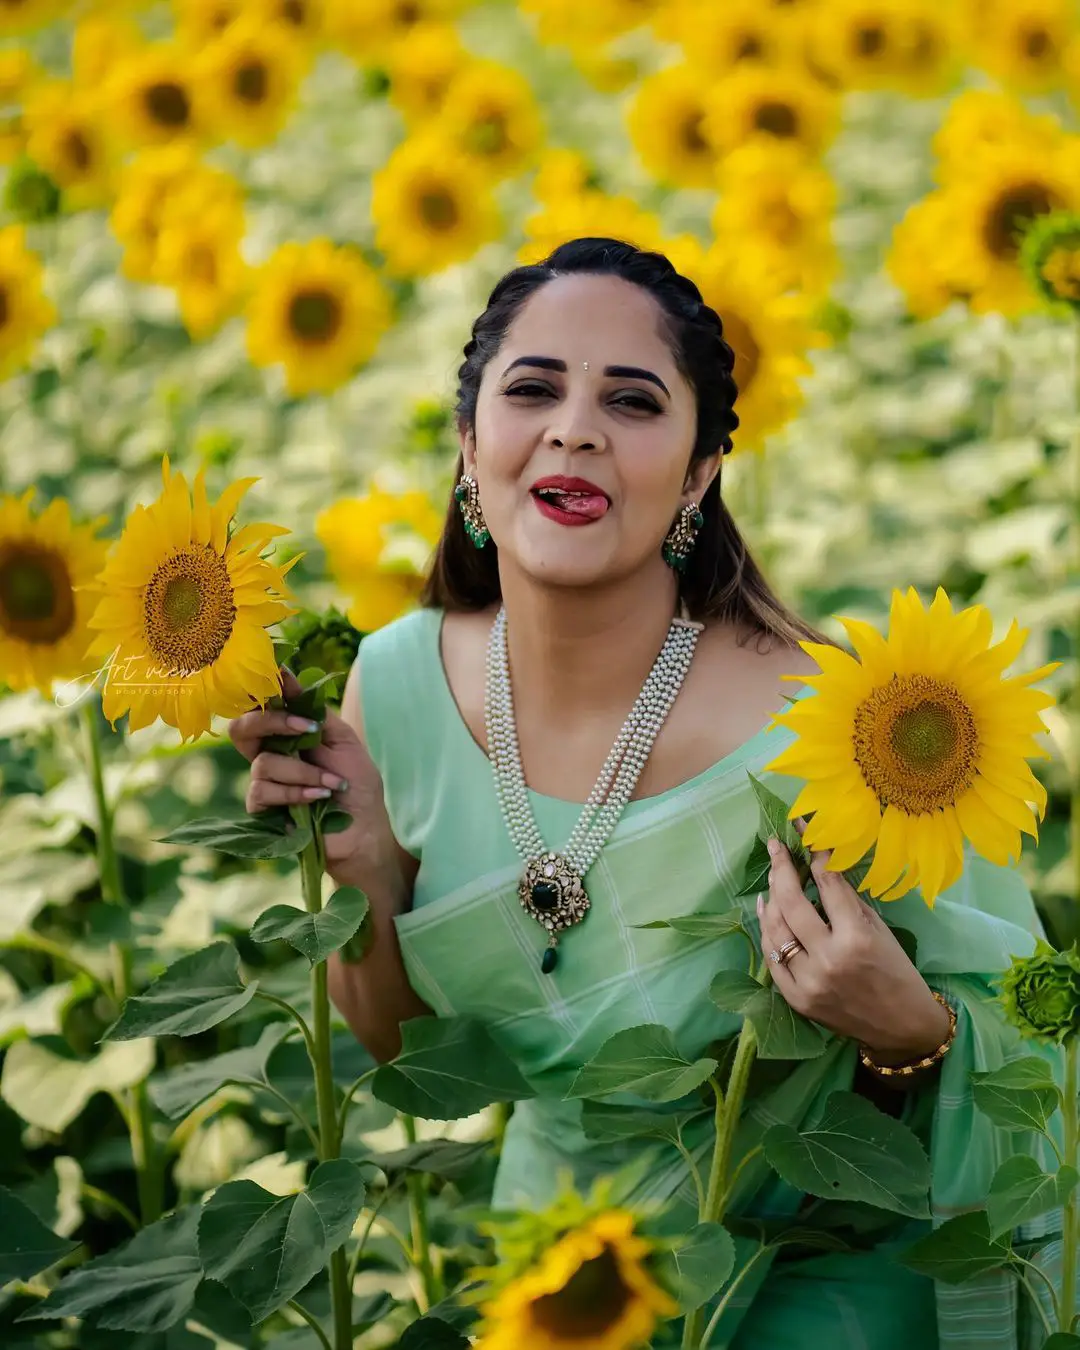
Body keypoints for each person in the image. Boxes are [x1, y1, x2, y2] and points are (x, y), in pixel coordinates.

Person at [229, 237, 1059, 1349]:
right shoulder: (396, 683)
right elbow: (409, 1059)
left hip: (820, 1275)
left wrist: (908, 1035)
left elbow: (1030, 1046)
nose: (575, 428)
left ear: (701, 472)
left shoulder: (834, 724)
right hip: (560, 1267)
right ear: (470, 445)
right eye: (534, 390)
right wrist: (364, 865)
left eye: (631, 400)